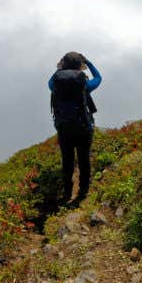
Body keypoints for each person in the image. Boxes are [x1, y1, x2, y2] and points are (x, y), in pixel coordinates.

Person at [48, 52, 101, 202]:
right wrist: (89, 63)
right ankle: (83, 191)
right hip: (84, 128)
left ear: (63, 64)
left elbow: (51, 81)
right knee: (84, 160)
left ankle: (67, 193)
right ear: (80, 66)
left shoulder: (55, 84)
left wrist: (59, 68)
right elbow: (98, 78)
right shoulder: (84, 84)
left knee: (67, 161)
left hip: (64, 130)